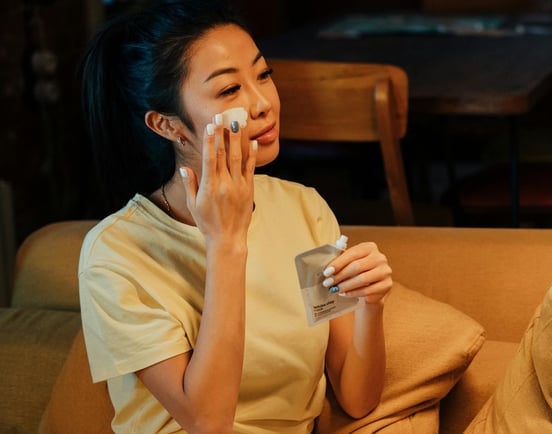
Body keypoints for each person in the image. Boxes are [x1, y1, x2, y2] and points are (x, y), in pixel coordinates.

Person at [76, 1, 393, 432]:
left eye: (263, 75)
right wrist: (226, 243)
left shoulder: (303, 209)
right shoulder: (114, 254)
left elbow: (357, 398)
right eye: (229, 90)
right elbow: (209, 423)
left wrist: (370, 307)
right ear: (167, 125)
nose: (263, 103)